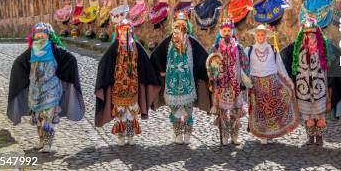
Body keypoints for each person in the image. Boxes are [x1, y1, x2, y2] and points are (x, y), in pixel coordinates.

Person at [7, 23, 85, 153]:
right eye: (37, 34)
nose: (40, 36)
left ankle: (48, 143)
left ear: (49, 35)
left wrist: (68, 70)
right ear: (34, 36)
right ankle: (41, 140)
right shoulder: (31, 52)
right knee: (38, 117)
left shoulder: (54, 49)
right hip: (36, 91)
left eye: (43, 33)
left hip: (51, 89)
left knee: (48, 116)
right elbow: (19, 63)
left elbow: (69, 58)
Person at [94, 19, 160, 146]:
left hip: (132, 86)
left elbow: (144, 62)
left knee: (132, 111)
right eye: (124, 31)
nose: (126, 33)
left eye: (128, 31)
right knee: (119, 111)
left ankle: (130, 133)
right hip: (118, 86)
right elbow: (105, 62)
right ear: (119, 32)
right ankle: (120, 134)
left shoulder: (135, 46)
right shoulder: (115, 46)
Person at [149, 12, 210, 144]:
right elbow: (155, 56)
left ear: (186, 27)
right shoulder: (168, 42)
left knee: (188, 110)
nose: (179, 31)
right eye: (177, 27)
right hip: (172, 85)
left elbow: (204, 57)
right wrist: (161, 71)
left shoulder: (191, 42)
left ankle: (187, 133)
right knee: (175, 111)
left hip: (188, 84)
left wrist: (208, 69)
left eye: (182, 27)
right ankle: (177, 134)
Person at [280, 18, 341, 146]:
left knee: (320, 116)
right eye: (307, 34)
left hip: (320, 87)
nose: (310, 36)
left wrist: (331, 83)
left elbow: (337, 56)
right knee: (308, 116)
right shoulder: (297, 48)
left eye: (312, 33)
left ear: (317, 34)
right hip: (304, 88)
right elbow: (283, 56)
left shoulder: (324, 48)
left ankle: (319, 137)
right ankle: (310, 137)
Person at [245, 24, 299, 143]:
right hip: (256, 84)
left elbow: (279, 66)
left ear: (266, 36)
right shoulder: (249, 50)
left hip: (272, 83)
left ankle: (270, 132)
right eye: (258, 35)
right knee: (260, 109)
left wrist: (288, 81)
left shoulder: (272, 49)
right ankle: (262, 134)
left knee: (271, 108)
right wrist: (245, 79)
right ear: (255, 36)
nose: (260, 37)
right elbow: (244, 67)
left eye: (262, 35)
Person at [206, 18, 251, 145]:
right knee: (223, 111)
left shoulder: (239, 48)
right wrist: (212, 79)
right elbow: (210, 66)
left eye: (228, 31)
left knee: (236, 111)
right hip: (221, 84)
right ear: (221, 32)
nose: (226, 33)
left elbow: (245, 64)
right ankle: (225, 135)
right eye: (224, 31)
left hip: (235, 84)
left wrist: (244, 80)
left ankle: (234, 135)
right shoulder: (215, 49)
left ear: (232, 32)